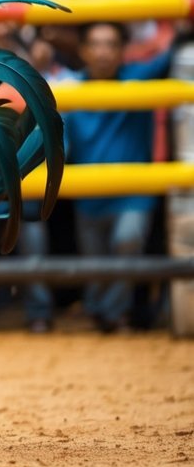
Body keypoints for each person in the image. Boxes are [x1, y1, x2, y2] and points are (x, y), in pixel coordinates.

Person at [66, 21, 170, 333]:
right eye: (96, 44)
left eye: (111, 44)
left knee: (127, 245)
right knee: (96, 267)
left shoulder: (138, 81)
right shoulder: (68, 91)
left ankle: (113, 314)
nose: (103, 52)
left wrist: (182, 19)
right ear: (83, 51)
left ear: (122, 50)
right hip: (88, 197)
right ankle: (101, 312)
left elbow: (170, 55)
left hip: (133, 194)